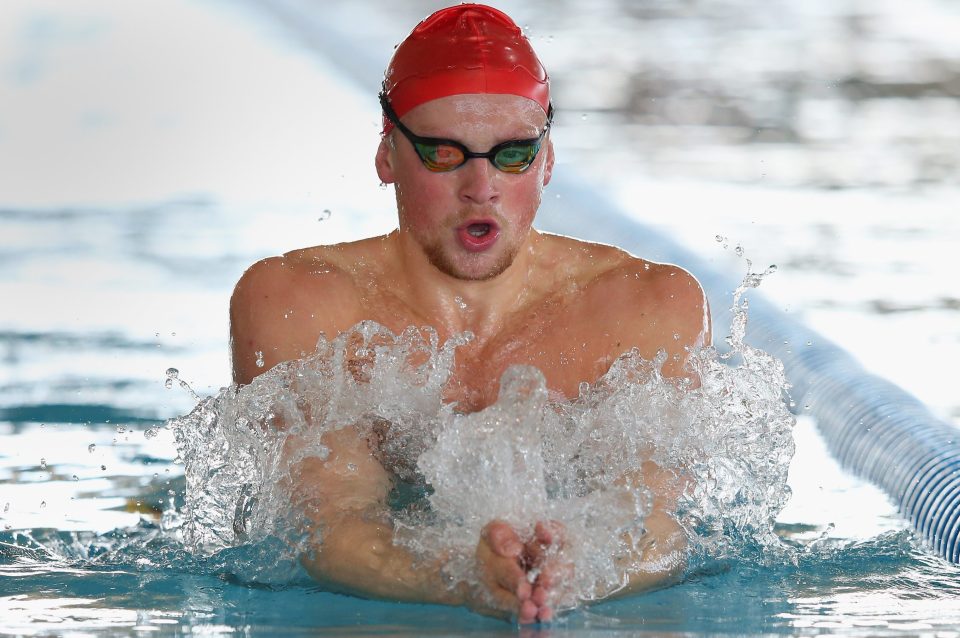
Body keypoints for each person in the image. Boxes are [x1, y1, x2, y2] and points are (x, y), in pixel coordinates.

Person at [229, 3, 710, 624]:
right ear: (387, 155)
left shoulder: (647, 308)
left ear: (549, 160)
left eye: (512, 154)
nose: (481, 186)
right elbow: (328, 525)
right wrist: (459, 579)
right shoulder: (298, 303)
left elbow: (660, 530)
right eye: (444, 153)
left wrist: (577, 572)